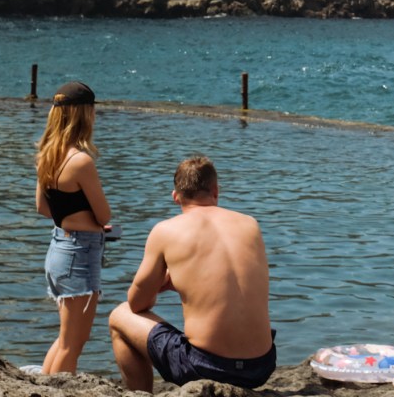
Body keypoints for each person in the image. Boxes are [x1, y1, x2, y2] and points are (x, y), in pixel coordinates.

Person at [109, 155, 276, 392]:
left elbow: (137, 304)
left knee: (119, 316)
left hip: (206, 367)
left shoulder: (165, 231)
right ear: (216, 191)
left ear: (176, 197)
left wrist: (162, 283)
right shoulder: (250, 224)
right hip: (262, 366)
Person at [35, 80, 111, 374]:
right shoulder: (81, 162)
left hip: (58, 249)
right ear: (85, 114)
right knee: (73, 343)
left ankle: (38, 389)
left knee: (66, 339)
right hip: (80, 252)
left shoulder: (47, 155)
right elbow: (104, 215)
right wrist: (95, 223)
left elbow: (44, 208)